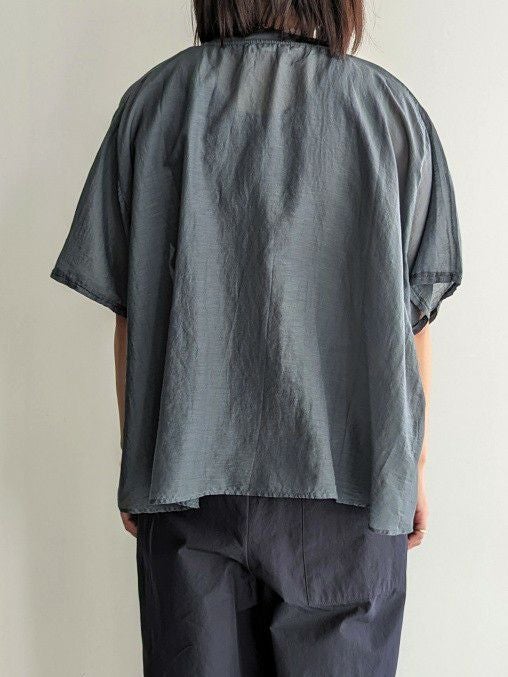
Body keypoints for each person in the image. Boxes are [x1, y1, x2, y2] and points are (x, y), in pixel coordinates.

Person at [50, 1, 463, 675]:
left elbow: (131, 316)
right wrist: (412, 468)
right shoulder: (390, 114)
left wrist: (137, 461)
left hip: (188, 486)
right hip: (350, 498)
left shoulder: (155, 105)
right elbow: (411, 319)